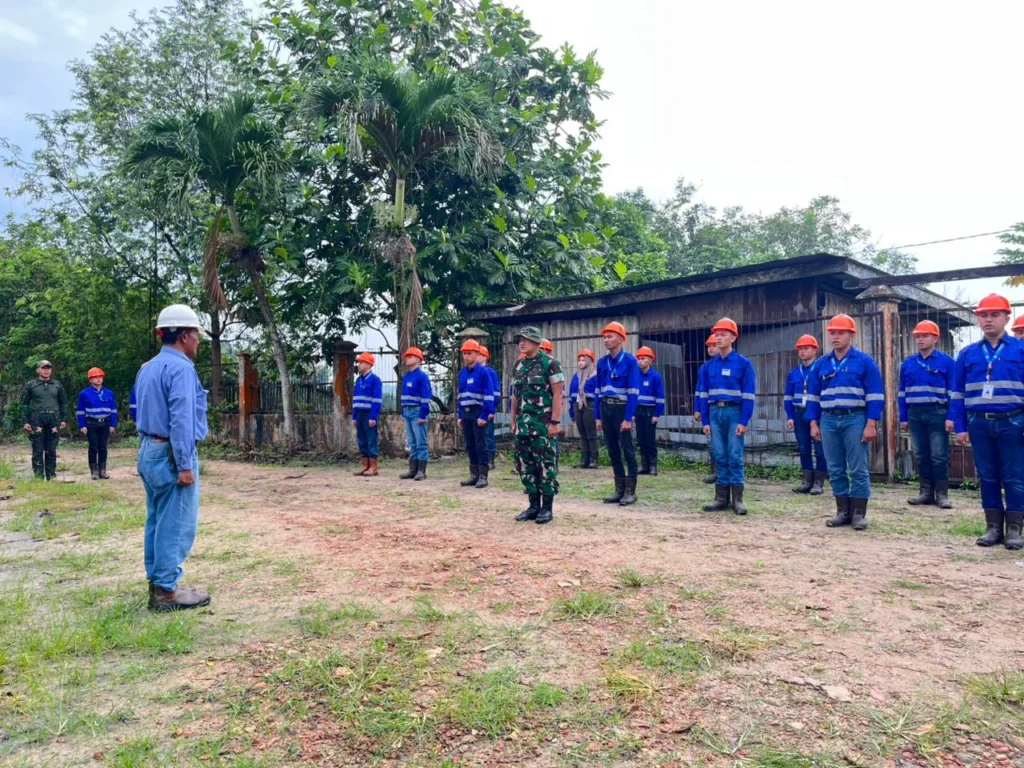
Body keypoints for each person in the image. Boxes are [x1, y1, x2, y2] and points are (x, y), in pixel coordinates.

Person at [134, 304, 210, 612]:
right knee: (175, 523)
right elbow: (181, 419)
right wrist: (184, 464)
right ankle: (166, 591)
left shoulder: (148, 367)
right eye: (196, 334)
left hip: (149, 449)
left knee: (157, 519)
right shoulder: (181, 369)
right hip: (170, 453)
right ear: (184, 336)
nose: (198, 341)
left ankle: (158, 582)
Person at [952, 294, 1024, 550]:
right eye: (984, 315)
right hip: (979, 423)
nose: (989, 319)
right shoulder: (967, 354)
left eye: (995, 315)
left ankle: (1014, 529)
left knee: (1014, 477)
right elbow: (957, 392)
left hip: (1013, 422)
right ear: (977, 319)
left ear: (1007, 318)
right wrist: (960, 426)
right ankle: (993, 527)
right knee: (987, 477)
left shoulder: (1020, 350)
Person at [807, 314, 884, 531]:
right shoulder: (821, 364)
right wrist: (813, 422)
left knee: (858, 468)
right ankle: (842, 511)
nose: (835, 337)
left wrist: (871, 423)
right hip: (828, 420)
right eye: (832, 333)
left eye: (841, 333)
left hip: (855, 418)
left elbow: (875, 394)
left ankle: (858, 514)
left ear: (852, 335)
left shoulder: (865, 362)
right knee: (835, 468)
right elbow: (813, 396)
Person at [699, 318, 756, 515]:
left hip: (734, 412)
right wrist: (705, 420)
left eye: (723, 334)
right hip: (715, 412)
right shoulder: (708, 367)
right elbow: (703, 395)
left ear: (733, 337)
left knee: (734, 455)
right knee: (719, 455)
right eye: (717, 335)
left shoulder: (743, 364)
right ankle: (720, 498)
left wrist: (744, 420)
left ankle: (737, 500)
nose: (719, 338)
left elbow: (749, 394)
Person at [510, 326, 564, 524]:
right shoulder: (518, 365)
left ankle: (546, 508)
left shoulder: (550, 363)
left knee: (546, 466)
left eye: (525, 339)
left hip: (543, 425)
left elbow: (558, 394)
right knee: (525, 466)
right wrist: (513, 421)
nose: (521, 343)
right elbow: (515, 396)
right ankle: (533, 506)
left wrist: (555, 422)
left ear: (536, 341)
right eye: (519, 340)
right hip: (523, 425)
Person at [898, 321, 955, 509]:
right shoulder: (908, 364)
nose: (920, 339)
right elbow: (902, 392)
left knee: (939, 455)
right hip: (915, 414)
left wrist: (951, 417)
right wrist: (903, 417)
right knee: (921, 455)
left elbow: (954, 392)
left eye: (925, 336)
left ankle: (942, 494)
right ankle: (925, 492)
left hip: (937, 412)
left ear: (936, 338)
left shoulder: (947, 362)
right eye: (918, 336)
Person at [595, 322, 641, 506]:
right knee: (613, 449)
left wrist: (628, 418)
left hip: (622, 409)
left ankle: (630, 491)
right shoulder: (601, 362)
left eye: (610, 337)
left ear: (621, 339)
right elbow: (598, 391)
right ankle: (619, 489)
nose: (606, 340)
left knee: (627, 449)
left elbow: (634, 392)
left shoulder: (630, 361)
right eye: (604, 337)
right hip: (605, 408)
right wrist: (597, 416)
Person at [785, 335, 827, 495]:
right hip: (799, 413)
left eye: (806, 348)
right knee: (803, 449)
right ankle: (807, 481)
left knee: (820, 449)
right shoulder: (794, 373)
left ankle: (818, 482)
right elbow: (788, 396)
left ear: (815, 350)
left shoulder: (820, 370)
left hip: (817, 415)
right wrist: (790, 415)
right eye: (800, 349)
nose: (802, 351)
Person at [457, 339, 494, 489]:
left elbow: (489, 395)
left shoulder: (483, 372)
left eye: (469, 353)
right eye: (464, 354)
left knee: (481, 445)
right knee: (470, 445)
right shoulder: (462, 373)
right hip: (466, 413)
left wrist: (484, 415)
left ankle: (483, 476)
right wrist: (460, 415)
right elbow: (460, 395)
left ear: (477, 354)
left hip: (478, 412)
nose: (466, 356)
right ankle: (474, 475)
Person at [21, 360, 68, 481]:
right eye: (43, 368)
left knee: (51, 449)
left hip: (53, 417)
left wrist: (63, 419)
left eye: (48, 368)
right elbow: (25, 404)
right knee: (37, 449)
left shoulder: (57, 384)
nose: (46, 371)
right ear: (38, 370)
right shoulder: (31, 385)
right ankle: (38, 476)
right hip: (37, 418)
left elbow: (63, 403)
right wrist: (26, 421)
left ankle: (51, 475)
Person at [77, 366, 118, 480]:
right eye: (95, 377)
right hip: (91, 423)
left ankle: (102, 470)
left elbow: (114, 411)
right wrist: (82, 425)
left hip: (105, 423)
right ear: (90, 379)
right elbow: (80, 411)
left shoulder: (109, 393)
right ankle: (94, 471)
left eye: (100, 376)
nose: (98, 379)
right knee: (93, 447)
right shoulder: (84, 394)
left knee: (103, 447)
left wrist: (113, 425)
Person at [399, 347, 432, 481]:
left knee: (420, 442)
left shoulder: (422, 376)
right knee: (412, 442)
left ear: (418, 359)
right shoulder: (407, 376)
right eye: (406, 356)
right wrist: (403, 411)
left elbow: (426, 396)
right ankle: (413, 470)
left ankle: (421, 471)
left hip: (417, 411)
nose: (407, 358)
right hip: (407, 410)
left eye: (410, 356)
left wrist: (423, 414)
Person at [635, 347, 665, 476]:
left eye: (643, 358)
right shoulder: (635, 376)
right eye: (639, 359)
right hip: (638, 410)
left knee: (650, 440)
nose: (640, 361)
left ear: (650, 360)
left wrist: (657, 414)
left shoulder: (655, 377)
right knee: (641, 439)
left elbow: (660, 397)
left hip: (650, 411)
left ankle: (653, 466)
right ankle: (644, 465)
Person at [352, 351, 382, 477]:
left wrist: (373, 416)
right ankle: (365, 465)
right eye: (358, 362)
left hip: (368, 414)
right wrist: (354, 417)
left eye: (361, 362)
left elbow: (377, 400)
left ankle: (373, 467)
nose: (359, 365)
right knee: (362, 440)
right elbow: (355, 399)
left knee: (371, 440)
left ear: (369, 364)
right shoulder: (358, 380)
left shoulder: (375, 380)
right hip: (359, 414)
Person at [569, 349, 599, 469]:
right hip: (578, 405)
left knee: (591, 434)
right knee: (582, 434)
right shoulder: (576, 376)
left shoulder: (595, 375)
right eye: (579, 360)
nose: (581, 362)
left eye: (584, 360)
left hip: (590, 405)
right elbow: (571, 394)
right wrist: (572, 411)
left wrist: (598, 413)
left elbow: (598, 394)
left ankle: (593, 460)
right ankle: (584, 460)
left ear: (590, 361)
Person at [695, 334, 718, 484]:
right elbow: (699, 389)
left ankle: (726, 471)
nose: (710, 348)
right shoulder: (704, 367)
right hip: (707, 408)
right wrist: (697, 408)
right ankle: (715, 471)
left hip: (721, 409)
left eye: (713, 345)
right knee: (712, 442)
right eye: (709, 346)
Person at [479, 345, 500, 470]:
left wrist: (492, 410)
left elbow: (495, 393)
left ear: (485, 357)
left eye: (479, 355)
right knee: (479, 436)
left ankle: (490, 460)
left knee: (488, 435)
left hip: (487, 408)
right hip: (476, 408)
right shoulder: (473, 372)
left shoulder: (490, 372)